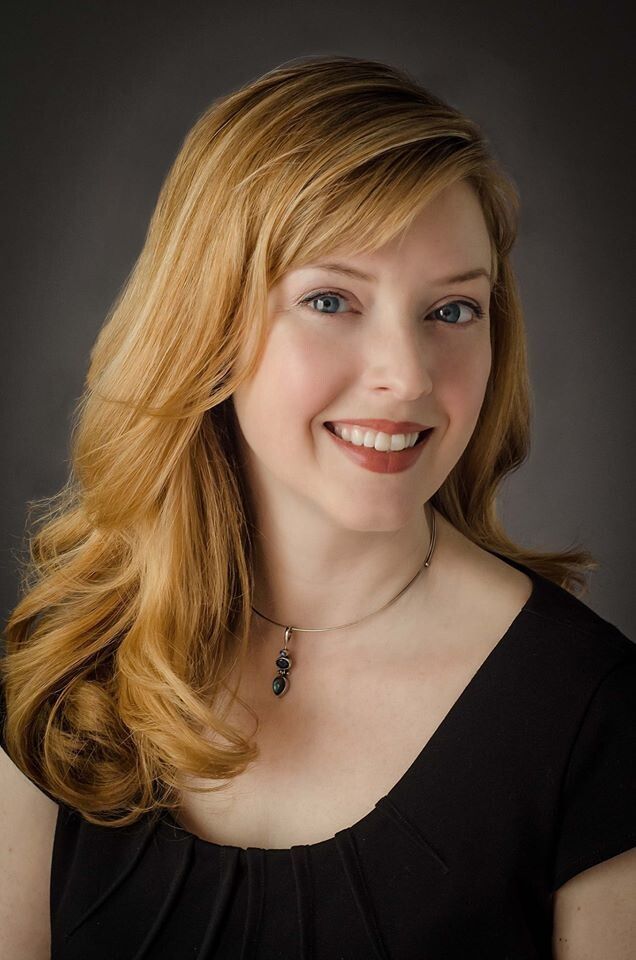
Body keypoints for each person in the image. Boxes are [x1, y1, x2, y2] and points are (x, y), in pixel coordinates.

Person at [1, 54, 634, 960]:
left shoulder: (597, 713)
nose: (407, 377)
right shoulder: (70, 660)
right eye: (331, 299)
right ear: (208, 324)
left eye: (453, 311)